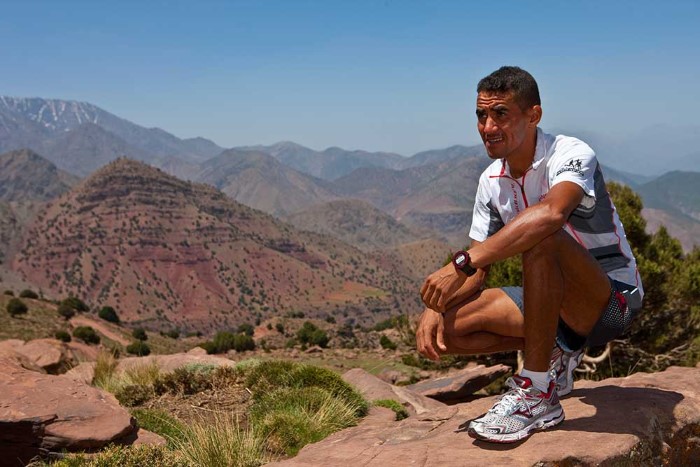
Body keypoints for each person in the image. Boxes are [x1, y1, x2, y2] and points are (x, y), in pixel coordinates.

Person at [416, 66, 643, 443]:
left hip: (611, 302)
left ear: (533, 115)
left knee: (542, 235)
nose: (487, 126)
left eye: (500, 114)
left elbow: (552, 214)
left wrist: (463, 262)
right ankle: (556, 354)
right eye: (481, 115)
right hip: (550, 301)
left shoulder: (570, 153)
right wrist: (435, 307)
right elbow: (477, 270)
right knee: (447, 331)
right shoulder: (490, 182)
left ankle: (538, 393)